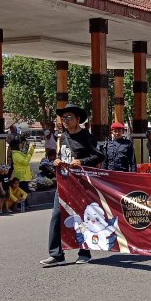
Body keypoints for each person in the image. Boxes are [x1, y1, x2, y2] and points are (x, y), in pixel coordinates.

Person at [41, 104, 105, 267]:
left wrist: (81, 162)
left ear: (78, 120)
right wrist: (56, 162)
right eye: (63, 118)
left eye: (69, 118)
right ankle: (56, 254)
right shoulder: (62, 137)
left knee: (82, 217)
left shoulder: (86, 137)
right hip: (64, 182)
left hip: (81, 184)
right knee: (57, 215)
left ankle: (84, 252)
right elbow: (61, 156)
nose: (65, 121)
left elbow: (98, 156)